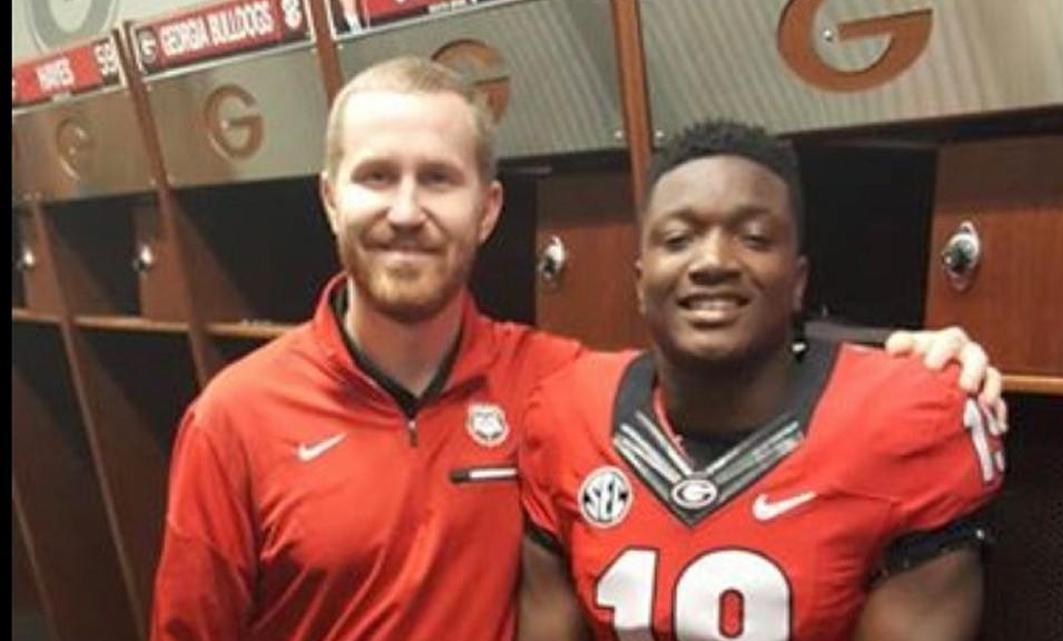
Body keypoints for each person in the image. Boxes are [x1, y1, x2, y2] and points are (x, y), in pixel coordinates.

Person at [149, 58, 1005, 641]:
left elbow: (710, 336)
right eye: (377, 176)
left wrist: (907, 350)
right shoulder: (234, 419)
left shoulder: (552, 382)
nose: (406, 211)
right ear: (331, 198)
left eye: (438, 178)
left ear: (487, 208)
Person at [517, 120, 1006, 641]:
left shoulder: (909, 420)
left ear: (797, 281)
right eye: (679, 239)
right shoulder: (569, 414)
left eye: (753, 238)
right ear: (641, 282)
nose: (713, 262)